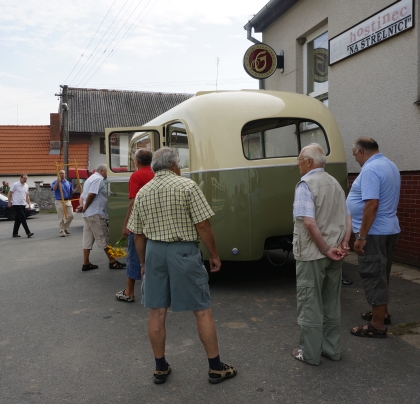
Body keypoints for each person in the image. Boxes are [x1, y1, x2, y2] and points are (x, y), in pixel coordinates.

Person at [127, 147, 237, 385]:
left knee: (156, 312)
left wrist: (144, 263)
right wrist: (214, 255)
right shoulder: (187, 187)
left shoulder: (144, 192)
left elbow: (137, 235)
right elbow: (203, 225)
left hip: (155, 251)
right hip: (184, 251)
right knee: (201, 309)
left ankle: (160, 368)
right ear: (175, 165)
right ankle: (216, 368)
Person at [292, 143, 351, 365]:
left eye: (299, 159)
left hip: (313, 255)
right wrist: (344, 243)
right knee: (331, 302)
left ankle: (309, 353)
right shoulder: (335, 183)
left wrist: (325, 248)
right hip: (336, 253)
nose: (297, 164)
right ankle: (332, 349)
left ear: (309, 161)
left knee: (310, 303)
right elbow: (347, 217)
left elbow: (308, 222)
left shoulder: (305, 184)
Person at [347, 138, 400, 339]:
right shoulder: (390, 165)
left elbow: (372, 205)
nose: (355, 159)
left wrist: (361, 235)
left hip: (375, 232)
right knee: (381, 272)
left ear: (361, 151)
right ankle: (382, 313)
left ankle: (377, 325)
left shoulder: (370, 170)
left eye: (354, 155)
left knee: (374, 274)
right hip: (388, 229)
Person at [115, 149, 154, 302]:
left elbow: (133, 203)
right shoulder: (155, 174)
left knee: (134, 256)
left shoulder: (136, 176)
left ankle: (129, 291)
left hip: (139, 223)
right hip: (155, 223)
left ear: (137, 162)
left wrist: (126, 225)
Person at [77, 164, 126, 271]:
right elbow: (91, 194)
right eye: (107, 171)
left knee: (87, 239)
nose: (108, 174)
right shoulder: (98, 179)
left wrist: (83, 206)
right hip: (95, 213)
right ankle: (112, 262)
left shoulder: (89, 179)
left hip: (88, 214)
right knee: (104, 237)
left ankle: (86, 262)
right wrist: (85, 207)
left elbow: (82, 196)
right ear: (102, 170)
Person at [51, 169, 79, 237]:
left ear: (65, 174)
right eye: (61, 173)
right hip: (59, 201)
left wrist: (76, 189)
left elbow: (71, 192)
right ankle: (62, 231)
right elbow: (53, 189)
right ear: (58, 174)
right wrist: (57, 182)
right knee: (61, 217)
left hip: (67, 200)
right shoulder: (55, 181)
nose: (62, 174)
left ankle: (65, 227)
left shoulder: (68, 183)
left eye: (63, 173)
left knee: (71, 215)